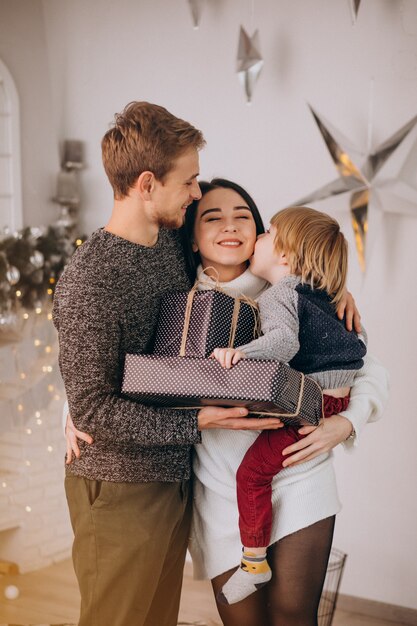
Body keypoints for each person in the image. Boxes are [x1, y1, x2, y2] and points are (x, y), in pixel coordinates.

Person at [65, 178, 388, 626]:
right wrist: (73, 407)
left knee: (295, 615)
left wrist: (347, 423)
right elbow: (116, 360)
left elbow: (366, 367)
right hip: (218, 489)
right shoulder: (175, 297)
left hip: (299, 471)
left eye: (244, 217)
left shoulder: (301, 290)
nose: (230, 227)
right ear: (191, 237)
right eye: (212, 218)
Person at [53, 105, 283, 626]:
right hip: (119, 489)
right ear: (148, 184)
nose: (198, 194)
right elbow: (93, 410)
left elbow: (254, 249)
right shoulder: (90, 280)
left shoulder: (170, 243)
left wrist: (337, 294)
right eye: (191, 180)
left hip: (172, 479)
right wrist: (197, 420)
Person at [210, 206, 367, 605]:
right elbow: (358, 340)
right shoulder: (322, 294)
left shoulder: (280, 293)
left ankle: (253, 562)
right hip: (334, 397)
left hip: (311, 407)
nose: (257, 238)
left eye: (266, 232)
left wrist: (238, 352)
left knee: (251, 475)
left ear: (284, 254)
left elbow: (284, 343)